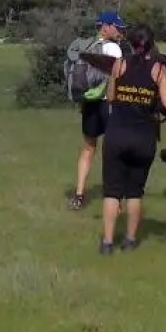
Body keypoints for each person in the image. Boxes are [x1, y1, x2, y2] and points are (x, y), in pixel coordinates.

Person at [98, 23, 166, 254]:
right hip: (143, 137)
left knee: (112, 192)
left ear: (130, 43)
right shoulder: (159, 70)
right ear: (151, 44)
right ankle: (131, 240)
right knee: (135, 191)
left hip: (116, 135)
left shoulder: (119, 65)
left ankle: (107, 242)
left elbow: (111, 96)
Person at [68, 11, 125, 211]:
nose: (120, 32)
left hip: (89, 102)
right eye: (118, 28)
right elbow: (117, 78)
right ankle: (114, 198)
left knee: (88, 147)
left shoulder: (88, 46)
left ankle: (79, 194)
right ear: (106, 27)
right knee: (111, 151)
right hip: (107, 103)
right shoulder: (113, 49)